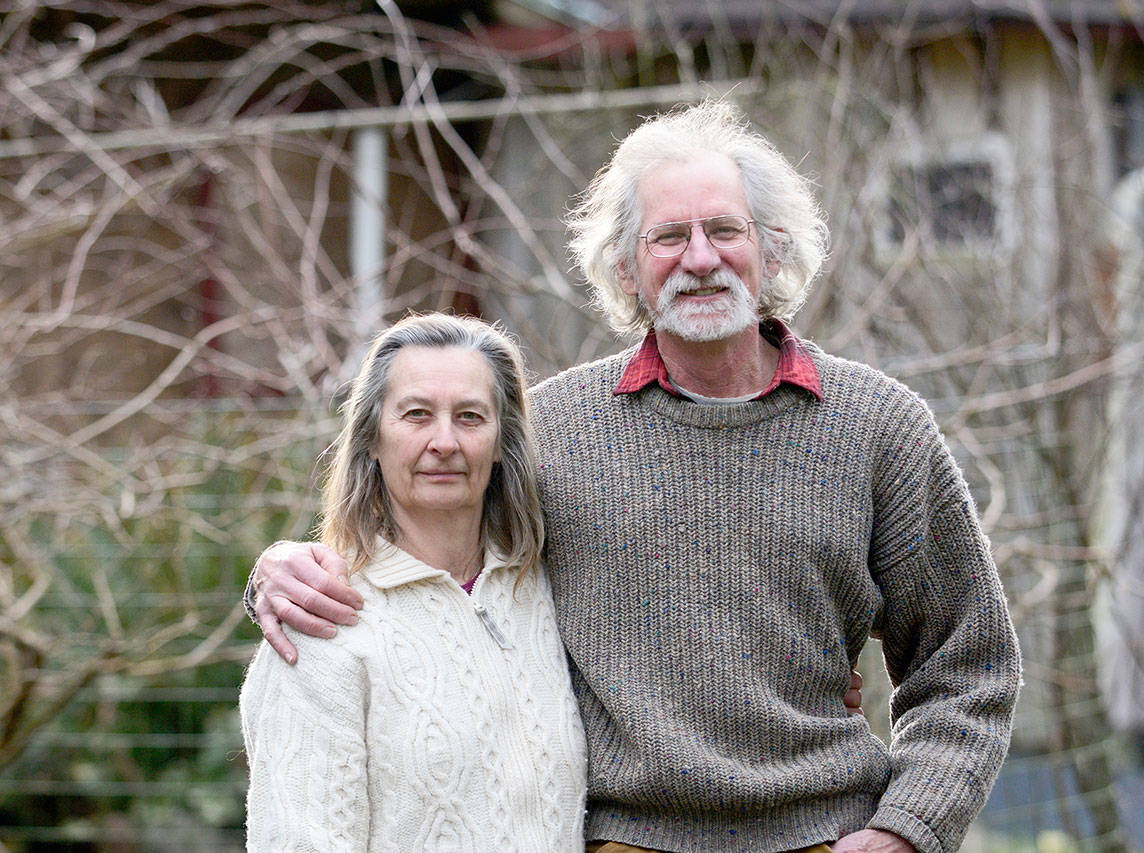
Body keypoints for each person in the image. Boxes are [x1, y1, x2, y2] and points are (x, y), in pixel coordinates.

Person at [246, 99, 1022, 853]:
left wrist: (907, 827)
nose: (701, 257)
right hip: (623, 840)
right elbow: (427, 550)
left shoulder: (880, 426)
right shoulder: (553, 430)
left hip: (825, 832)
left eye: (725, 229)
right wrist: (277, 570)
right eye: (668, 237)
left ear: (773, 248)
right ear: (624, 267)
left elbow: (970, 660)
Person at [239, 313, 587, 851]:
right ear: (372, 438)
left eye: (470, 417)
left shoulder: (550, 588)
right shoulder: (322, 619)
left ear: (501, 443)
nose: (444, 441)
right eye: (417, 414)